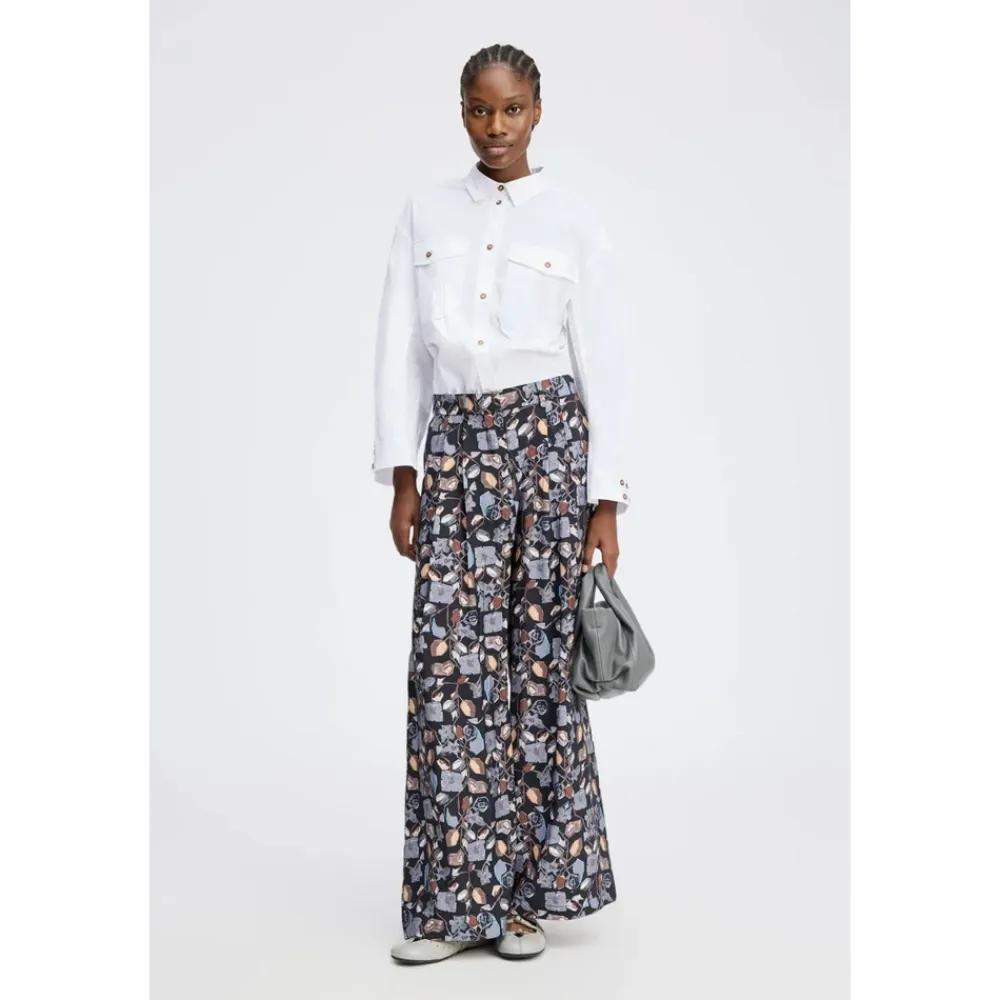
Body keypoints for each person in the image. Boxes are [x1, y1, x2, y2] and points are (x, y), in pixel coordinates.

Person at [372, 43, 632, 964]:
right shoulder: (425, 212)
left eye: (512, 109)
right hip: (455, 446)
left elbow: (605, 362)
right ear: (461, 111)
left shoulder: (574, 220)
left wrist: (607, 499)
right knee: (451, 673)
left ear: (537, 110)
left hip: (550, 450)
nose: (496, 127)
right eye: (480, 110)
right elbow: (400, 346)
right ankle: (451, 907)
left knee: (538, 673)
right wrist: (404, 474)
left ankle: (524, 903)